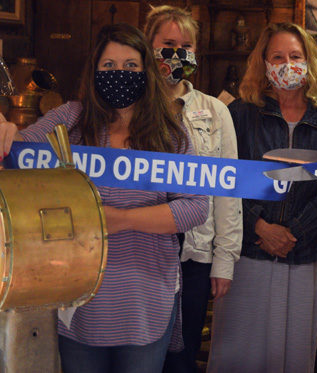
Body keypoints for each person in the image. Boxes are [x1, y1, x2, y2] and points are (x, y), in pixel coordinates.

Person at [0, 23, 209, 373]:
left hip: (146, 301)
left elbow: (195, 207)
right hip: (81, 301)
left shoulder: (169, 131)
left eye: (130, 67)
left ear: (146, 72)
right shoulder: (71, 119)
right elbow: (16, 158)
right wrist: (5, 130)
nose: (120, 74)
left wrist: (118, 219)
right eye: (109, 67)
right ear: (95, 72)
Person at [207, 22, 317, 373]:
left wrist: (292, 231)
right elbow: (227, 181)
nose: (288, 64)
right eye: (278, 56)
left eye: (296, 56)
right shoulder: (240, 114)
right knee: (240, 350)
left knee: (292, 352)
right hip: (249, 251)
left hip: (303, 251)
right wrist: (260, 227)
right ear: (264, 63)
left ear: (310, 61)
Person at [143, 6, 243, 373]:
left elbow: (228, 191)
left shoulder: (216, 112)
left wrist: (225, 260)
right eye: (167, 44)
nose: (177, 54)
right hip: (141, 251)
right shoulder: (129, 107)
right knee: (142, 351)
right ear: (148, 47)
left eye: (186, 46)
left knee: (182, 359)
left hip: (196, 256)